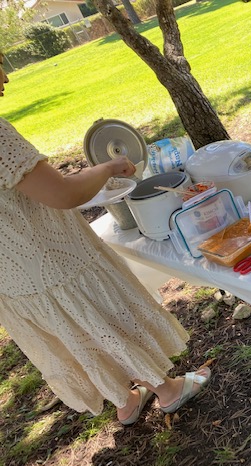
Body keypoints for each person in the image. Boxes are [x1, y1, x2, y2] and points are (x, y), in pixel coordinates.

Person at [0, 53, 210, 425]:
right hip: (49, 258)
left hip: (11, 278)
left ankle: (126, 401)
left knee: (77, 334)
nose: (5, 77)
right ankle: (168, 391)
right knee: (103, 321)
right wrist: (108, 167)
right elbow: (63, 194)